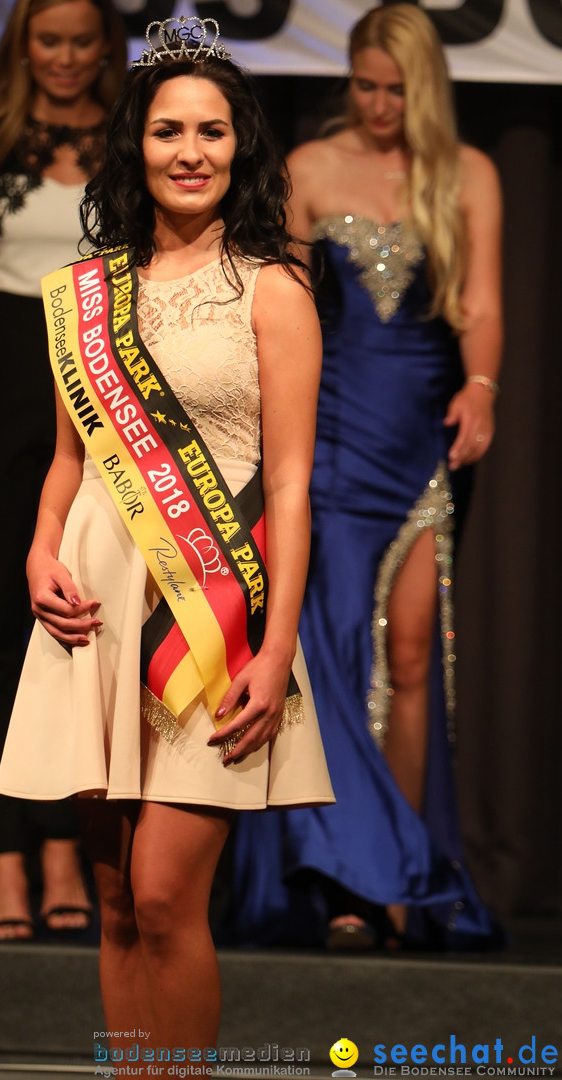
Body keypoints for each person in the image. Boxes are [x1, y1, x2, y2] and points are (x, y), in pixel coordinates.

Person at [0, 16, 333, 1057]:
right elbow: (66, 462)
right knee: (114, 898)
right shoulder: (89, 295)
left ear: (243, 148)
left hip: (214, 619)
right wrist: (38, 552)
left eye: (214, 133)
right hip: (93, 604)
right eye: (168, 132)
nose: (191, 152)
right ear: (135, 147)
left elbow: (288, 481)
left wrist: (276, 652)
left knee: (165, 893)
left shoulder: (274, 289)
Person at [231, 3, 503, 950]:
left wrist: (481, 386)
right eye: (366, 85)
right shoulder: (308, 170)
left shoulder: (466, 174)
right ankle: (348, 879)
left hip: (420, 438)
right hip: (335, 431)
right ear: (347, 79)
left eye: (399, 88)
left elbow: (481, 305)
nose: (381, 105)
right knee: (334, 656)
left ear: (424, 86)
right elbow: (285, 311)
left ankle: (408, 881)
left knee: (417, 656)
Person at [0, 0, 127, 940]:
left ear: (106, 45)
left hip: (100, 375)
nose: (68, 58)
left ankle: (65, 850)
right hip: (0, 374)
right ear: (21, 44)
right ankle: (7, 860)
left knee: (85, 623)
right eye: (50, 40)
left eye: (84, 41)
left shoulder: (133, 132)